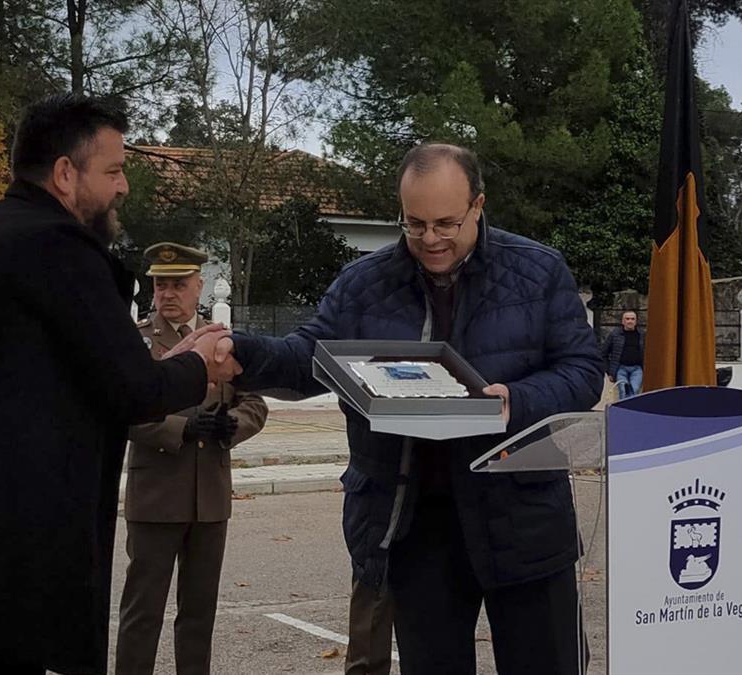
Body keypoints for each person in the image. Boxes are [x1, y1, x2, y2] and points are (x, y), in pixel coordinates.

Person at [0, 93, 240, 675]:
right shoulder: (52, 244)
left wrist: (172, 362)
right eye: (112, 170)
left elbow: (80, 368)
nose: (123, 187)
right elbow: (130, 391)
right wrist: (201, 364)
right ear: (65, 173)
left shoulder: (8, 229)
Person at [212, 143, 604, 674]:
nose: (430, 239)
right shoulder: (364, 283)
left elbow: (582, 370)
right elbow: (312, 357)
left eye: (446, 223)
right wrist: (246, 354)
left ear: (478, 205)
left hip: (524, 516)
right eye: (414, 224)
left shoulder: (537, 271)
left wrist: (521, 400)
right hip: (414, 524)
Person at [116, 243, 269, 675]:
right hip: (156, 498)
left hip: (209, 499)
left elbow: (254, 402)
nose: (168, 293)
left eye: (178, 284)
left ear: (198, 286)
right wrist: (181, 429)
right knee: (142, 614)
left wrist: (232, 425)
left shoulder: (221, 341)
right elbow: (121, 411)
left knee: (199, 616)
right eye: (161, 284)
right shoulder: (138, 342)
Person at [602, 310, 646, 399]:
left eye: (632, 319)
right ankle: (623, 410)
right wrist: (609, 371)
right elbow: (604, 354)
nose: (630, 321)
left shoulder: (642, 335)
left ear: (636, 321)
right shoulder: (615, 334)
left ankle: (631, 411)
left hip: (637, 369)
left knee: (634, 389)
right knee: (623, 390)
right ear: (623, 321)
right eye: (627, 319)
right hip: (620, 368)